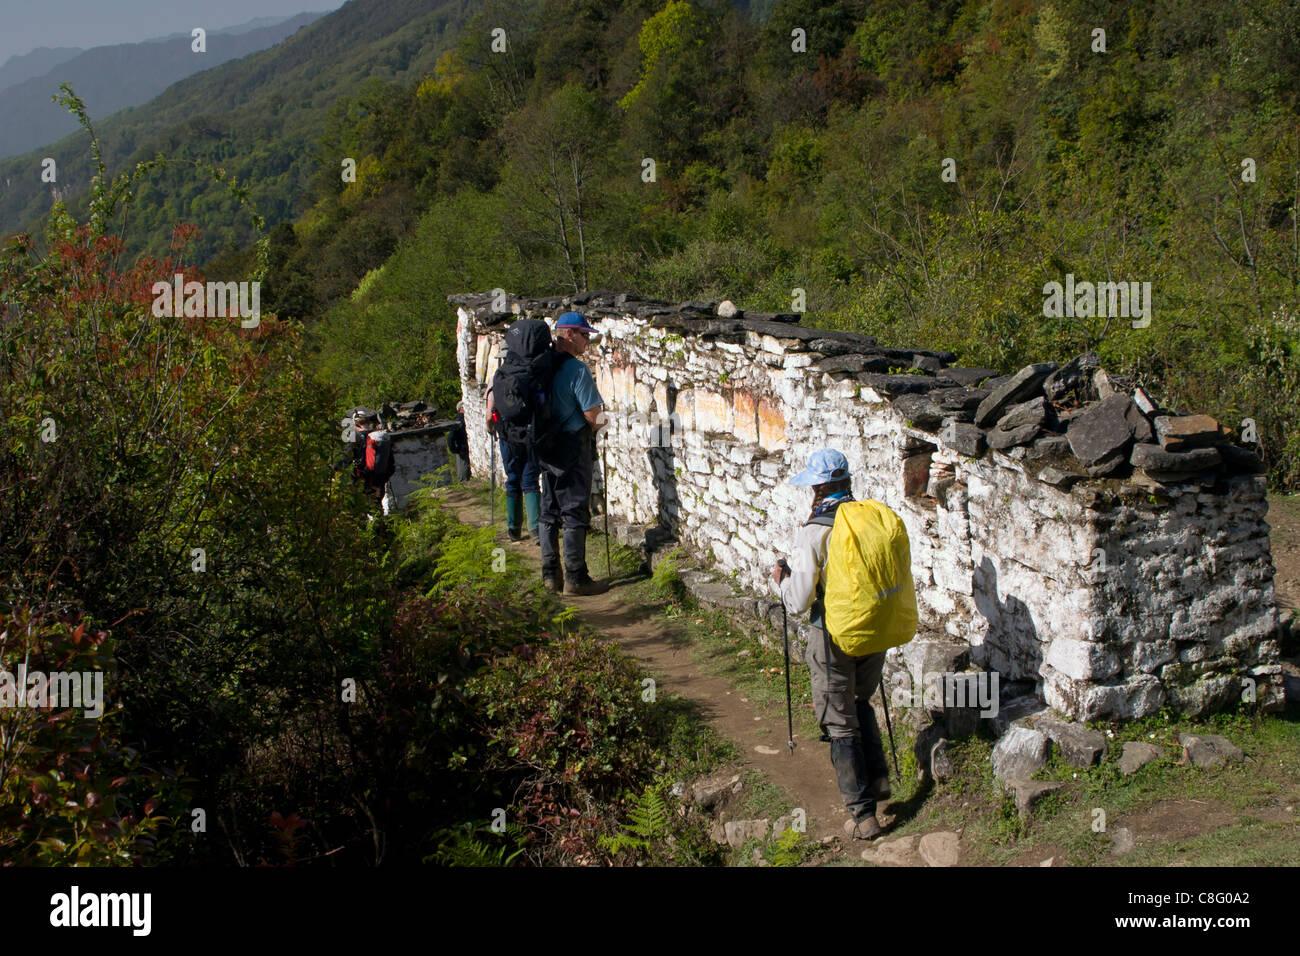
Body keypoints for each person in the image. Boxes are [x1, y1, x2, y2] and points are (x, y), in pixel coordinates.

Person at [773, 449, 891, 841]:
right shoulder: (869, 518)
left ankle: (863, 816)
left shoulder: (815, 531)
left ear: (819, 487)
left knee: (838, 719)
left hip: (834, 633)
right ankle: (878, 780)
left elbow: (800, 599)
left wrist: (783, 581)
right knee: (860, 702)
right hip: (875, 629)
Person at [536, 311, 608, 595]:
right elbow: (593, 414)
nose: (587, 341)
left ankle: (550, 575)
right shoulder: (576, 370)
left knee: (550, 509)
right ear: (569, 334)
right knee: (575, 509)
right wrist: (602, 426)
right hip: (572, 444)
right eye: (584, 335)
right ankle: (576, 578)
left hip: (544, 445)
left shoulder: (540, 366)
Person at [485, 387, 542, 542]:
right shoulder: (531, 374)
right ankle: (535, 529)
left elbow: (490, 416)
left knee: (513, 480)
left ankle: (514, 529)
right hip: (531, 435)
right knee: (530, 480)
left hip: (508, 438)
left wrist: (491, 430)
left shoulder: (496, 381)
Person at [447, 402, 472, 482]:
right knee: (463, 470)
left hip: (462, 448)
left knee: (464, 469)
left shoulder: (459, 420)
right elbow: (450, 438)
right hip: (462, 448)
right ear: (461, 409)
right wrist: (456, 450)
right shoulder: (459, 421)